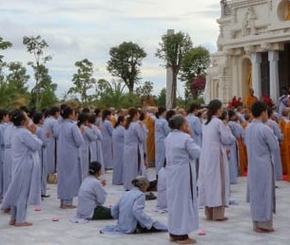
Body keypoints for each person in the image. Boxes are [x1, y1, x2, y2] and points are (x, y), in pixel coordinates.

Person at [1, 110, 43, 227]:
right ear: (24, 121)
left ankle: (14, 218)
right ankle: (20, 219)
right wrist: (34, 134)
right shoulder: (24, 133)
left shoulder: (15, 131)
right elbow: (36, 145)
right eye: (26, 117)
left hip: (18, 164)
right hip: (24, 165)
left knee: (17, 190)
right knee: (23, 192)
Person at [164, 114, 200, 244]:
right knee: (184, 202)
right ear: (182, 126)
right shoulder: (185, 138)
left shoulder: (168, 137)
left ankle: (173, 232)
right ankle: (183, 235)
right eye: (187, 124)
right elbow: (196, 153)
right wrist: (191, 136)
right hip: (184, 173)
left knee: (174, 202)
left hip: (172, 173)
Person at [245, 101, 280, 233]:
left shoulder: (248, 128)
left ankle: (256, 223)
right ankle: (264, 224)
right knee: (264, 193)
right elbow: (274, 145)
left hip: (253, 164)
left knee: (255, 194)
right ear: (263, 113)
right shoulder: (265, 128)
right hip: (264, 165)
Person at [199, 99, 233, 221]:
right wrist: (229, 132)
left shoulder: (205, 123)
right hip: (216, 156)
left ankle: (209, 212)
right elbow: (226, 139)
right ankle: (218, 213)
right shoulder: (218, 123)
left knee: (208, 182)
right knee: (219, 182)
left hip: (206, 156)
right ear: (217, 109)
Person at [100, 175, 168, 234]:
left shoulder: (127, 193)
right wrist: (148, 222)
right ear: (144, 186)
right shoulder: (140, 195)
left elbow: (114, 210)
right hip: (130, 226)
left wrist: (121, 218)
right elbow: (136, 211)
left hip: (121, 225)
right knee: (156, 224)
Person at [57, 105, 84, 209]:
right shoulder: (73, 126)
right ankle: (67, 202)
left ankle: (63, 200)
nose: (75, 115)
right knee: (70, 177)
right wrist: (81, 133)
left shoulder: (60, 125)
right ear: (70, 115)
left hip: (62, 154)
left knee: (63, 177)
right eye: (73, 113)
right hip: (71, 154)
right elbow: (79, 141)